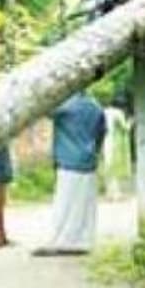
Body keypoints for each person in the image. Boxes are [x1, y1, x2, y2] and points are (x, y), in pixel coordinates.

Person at [34, 90, 106, 255]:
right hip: (88, 159)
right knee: (85, 204)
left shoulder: (66, 106)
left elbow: (44, 109)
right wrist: (95, 151)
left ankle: (62, 240)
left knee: (65, 203)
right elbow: (102, 131)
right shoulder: (95, 106)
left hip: (68, 159)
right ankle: (83, 240)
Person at [101, 98, 133, 201]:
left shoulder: (103, 111)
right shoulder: (118, 113)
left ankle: (109, 193)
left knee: (107, 167)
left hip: (103, 141)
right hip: (114, 142)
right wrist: (131, 121)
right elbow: (125, 128)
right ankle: (116, 194)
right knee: (114, 169)